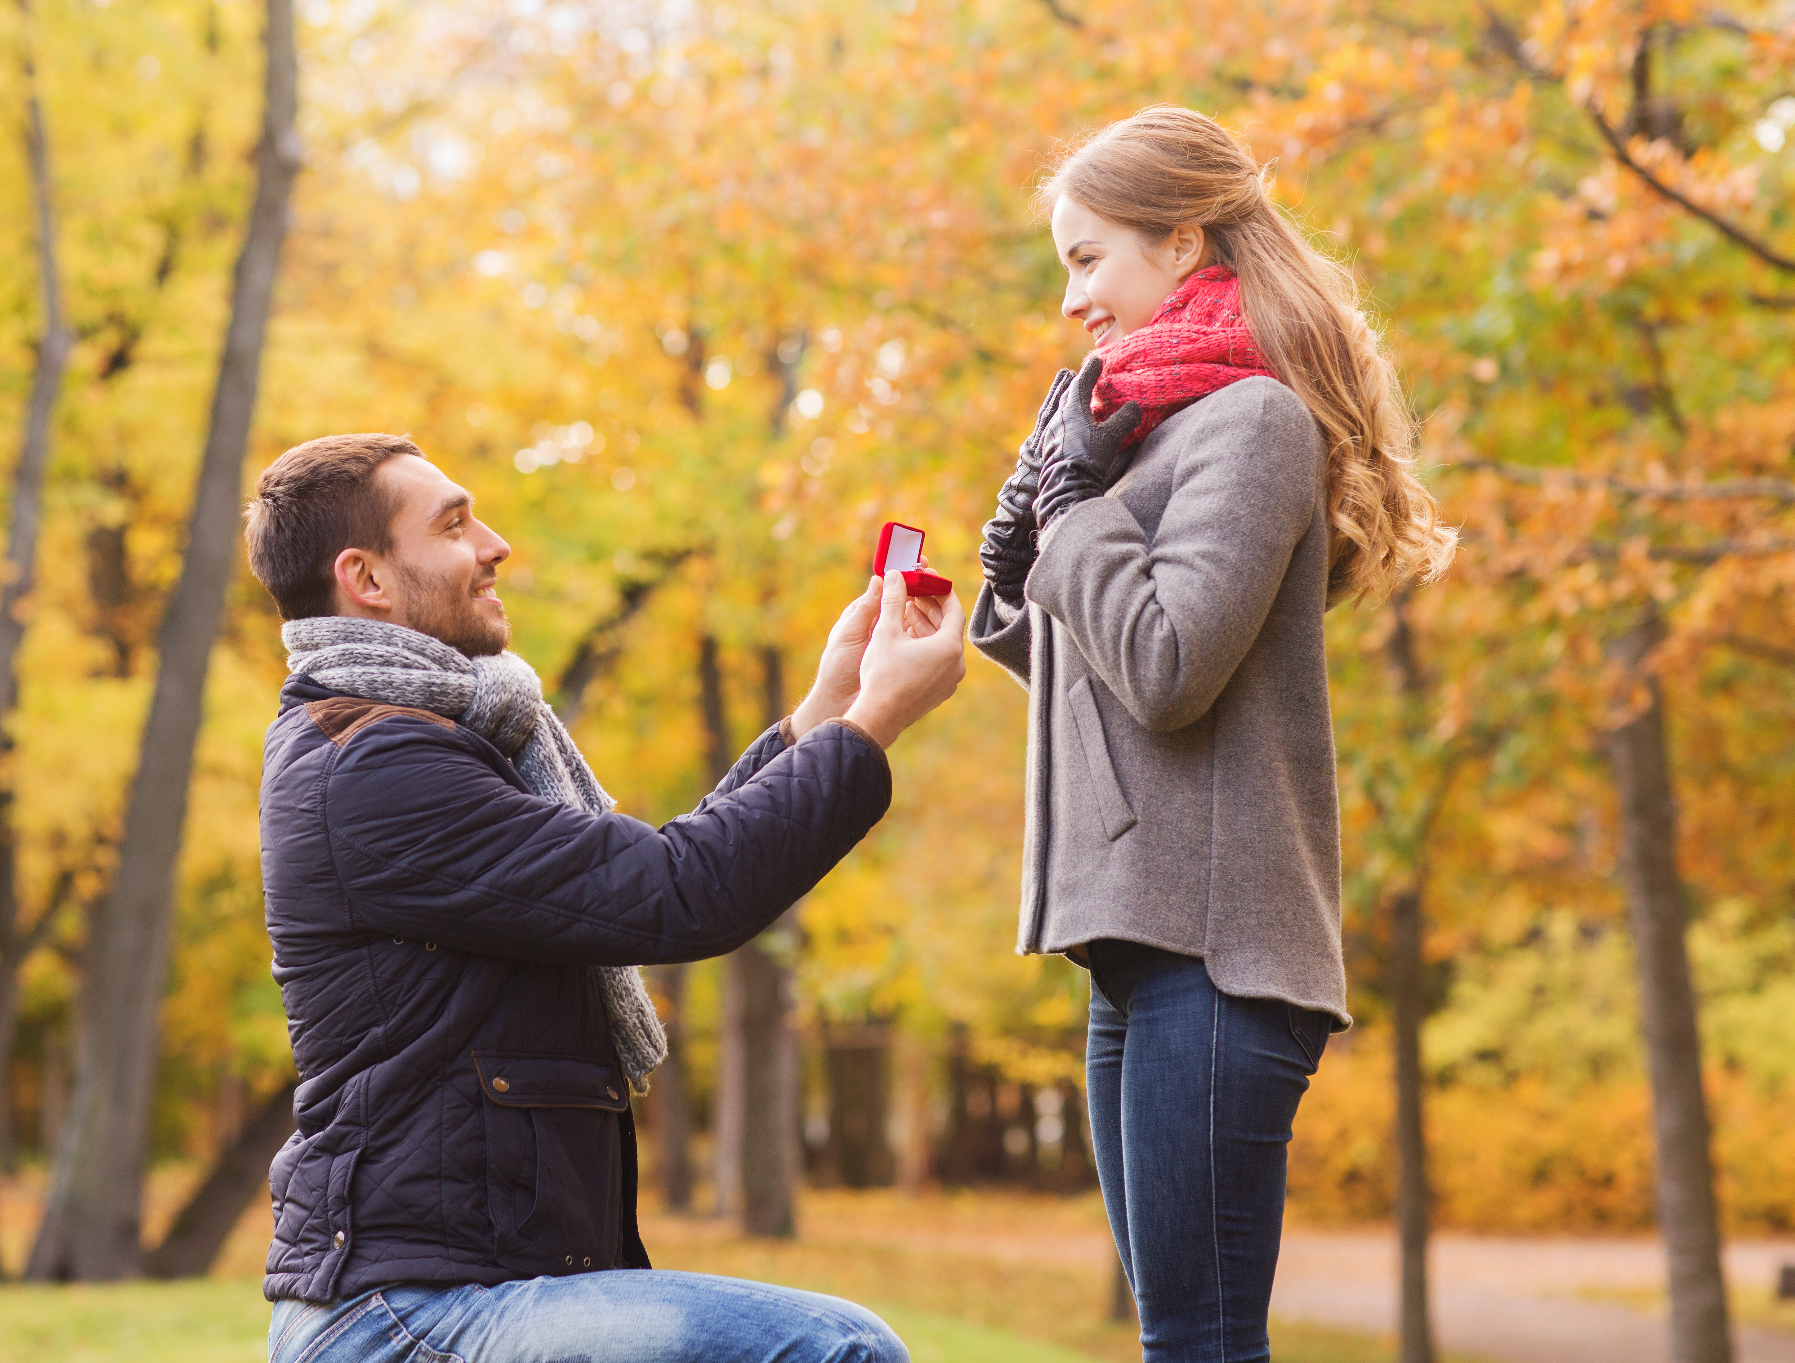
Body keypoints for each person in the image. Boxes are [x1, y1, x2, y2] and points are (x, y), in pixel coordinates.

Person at [243, 432, 963, 1363]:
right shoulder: (375, 769)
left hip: (482, 1287)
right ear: (367, 579)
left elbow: (641, 876)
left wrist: (827, 709)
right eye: (456, 524)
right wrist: (872, 728)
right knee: (836, 1349)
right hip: (403, 1315)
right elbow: (677, 892)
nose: (495, 543)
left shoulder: (428, 740)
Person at [969, 106, 1457, 1363]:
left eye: (1088, 257)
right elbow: (1106, 694)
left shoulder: (1252, 426)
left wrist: (1073, 511)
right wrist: (1013, 569)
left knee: (1197, 1343)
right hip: (1134, 949)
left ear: (1183, 243)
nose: (1071, 297)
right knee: (1174, 1338)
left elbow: (1170, 670)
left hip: (1218, 951)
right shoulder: (1144, 429)